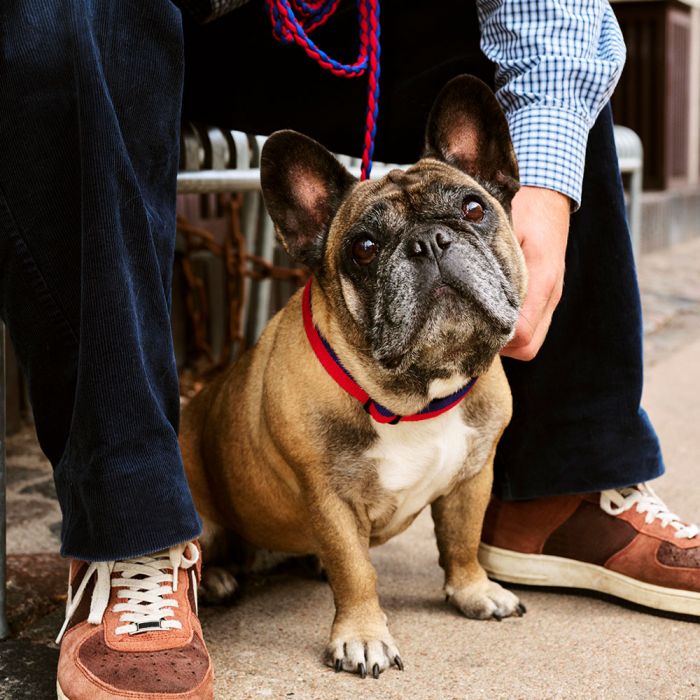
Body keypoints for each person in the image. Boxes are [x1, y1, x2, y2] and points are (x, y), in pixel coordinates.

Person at [0, 1, 696, 698]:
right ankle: (131, 532)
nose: (429, 253)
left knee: (557, 62)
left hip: (367, 25)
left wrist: (543, 188)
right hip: (175, 25)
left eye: (470, 216)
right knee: (56, 22)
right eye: (371, 251)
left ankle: (563, 485)